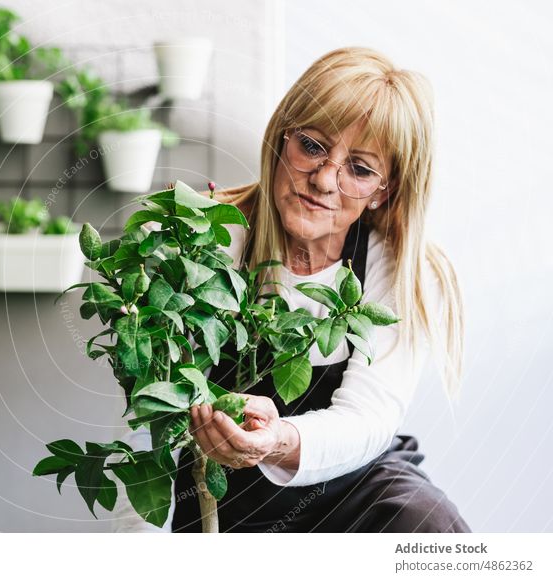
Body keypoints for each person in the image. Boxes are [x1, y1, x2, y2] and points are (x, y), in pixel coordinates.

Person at [111, 47, 470, 533]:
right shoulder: (208, 241)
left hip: (355, 487)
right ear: (282, 137)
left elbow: (366, 418)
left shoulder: (399, 268)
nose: (324, 180)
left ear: (383, 191)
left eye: (359, 170)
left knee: (421, 523)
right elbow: (149, 425)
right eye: (312, 145)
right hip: (221, 496)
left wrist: (278, 438)